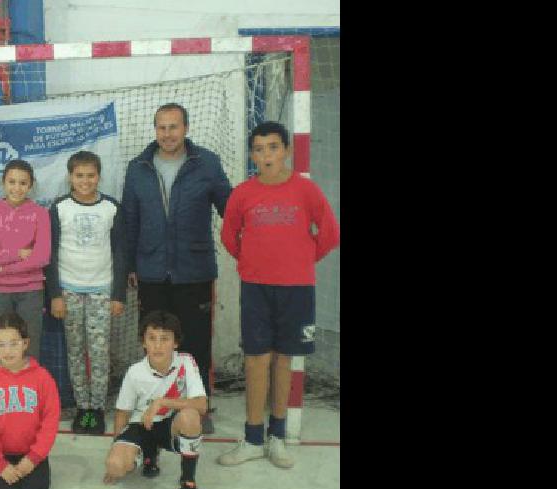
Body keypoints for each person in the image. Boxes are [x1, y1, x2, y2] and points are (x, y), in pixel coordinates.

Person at [216, 121, 339, 469]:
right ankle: (253, 438)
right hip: (256, 287)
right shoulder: (243, 193)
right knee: (256, 359)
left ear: (286, 150)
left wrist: (300, 260)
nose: (266, 155)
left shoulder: (306, 190)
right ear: (252, 154)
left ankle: (278, 437)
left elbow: (329, 233)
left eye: (272, 147)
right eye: (258, 148)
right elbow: (229, 236)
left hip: (296, 289)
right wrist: (253, 261)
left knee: (284, 359)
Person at [121, 103, 231, 433]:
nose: (167, 134)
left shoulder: (206, 163)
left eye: (174, 127)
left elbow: (231, 208)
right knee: (155, 343)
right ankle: (154, 404)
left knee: (195, 344)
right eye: (162, 127)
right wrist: (129, 264)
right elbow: (129, 221)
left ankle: (199, 408)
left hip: (194, 270)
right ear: (155, 130)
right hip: (151, 271)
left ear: (186, 128)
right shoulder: (138, 167)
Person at [45, 150, 126, 435]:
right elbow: (50, 254)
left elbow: (120, 253)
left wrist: (118, 295)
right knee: (76, 351)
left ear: (99, 176)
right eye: (79, 175)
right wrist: (55, 294)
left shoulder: (112, 208)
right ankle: (82, 408)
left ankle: (98, 407)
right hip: (69, 291)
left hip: (102, 290)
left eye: (91, 175)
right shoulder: (59, 208)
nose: (85, 181)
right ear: (70, 177)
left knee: (100, 352)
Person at [102, 310, 207, 489]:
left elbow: (202, 405)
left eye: (165, 339)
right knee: (115, 466)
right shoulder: (134, 372)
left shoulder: (186, 362)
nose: (157, 346)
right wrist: (116, 446)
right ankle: (148, 454)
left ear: (175, 343)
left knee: (190, 415)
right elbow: (122, 413)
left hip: (169, 425)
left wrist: (162, 402)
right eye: (152, 338)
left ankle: (188, 481)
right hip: (142, 424)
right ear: (143, 342)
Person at [0, 312, 60, 489]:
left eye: (14, 343)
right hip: (0, 453)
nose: (7, 350)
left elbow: (50, 422)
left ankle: (28, 467)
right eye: (0, 345)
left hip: (29, 453)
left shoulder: (43, 378)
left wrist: (33, 458)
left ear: (25, 343)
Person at [0, 159, 51, 362]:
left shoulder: (40, 214)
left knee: (30, 343)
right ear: (3, 183)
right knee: (3, 345)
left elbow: (42, 256)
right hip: (0, 291)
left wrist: (3, 268)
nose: (17, 188)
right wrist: (17, 253)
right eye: (12, 182)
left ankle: (30, 390)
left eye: (23, 183)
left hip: (31, 290)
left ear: (31, 185)